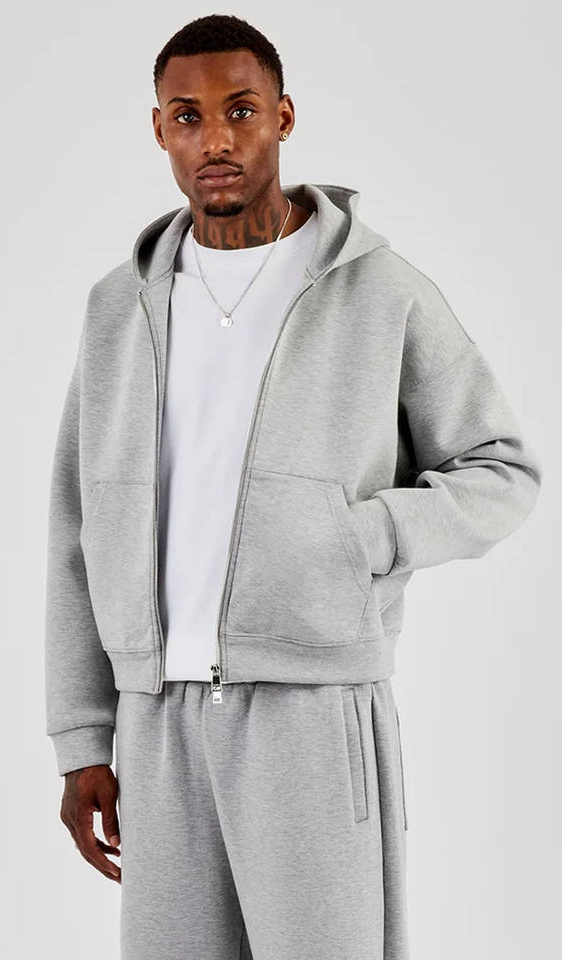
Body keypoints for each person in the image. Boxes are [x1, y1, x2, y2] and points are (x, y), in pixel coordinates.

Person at [44, 14, 543, 960]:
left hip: (313, 715)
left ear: (283, 116)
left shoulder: (379, 291)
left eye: (241, 111)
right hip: (155, 723)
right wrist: (82, 739)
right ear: (159, 131)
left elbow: (502, 469)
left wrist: (365, 537)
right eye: (188, 116)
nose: (216, 139)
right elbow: (76, 530)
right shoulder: (120, 307)